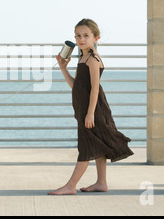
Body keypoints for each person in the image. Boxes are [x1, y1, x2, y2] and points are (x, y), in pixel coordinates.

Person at [48, 19, 133, 195]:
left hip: (93, 110)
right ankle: (101, 183)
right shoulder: (82, 58)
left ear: (96, 38)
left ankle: (70, 186)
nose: (81, 39)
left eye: (86, 35)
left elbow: (95, 87)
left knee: (86, 147)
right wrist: (63, 68)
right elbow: (76, 85)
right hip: (84, 109)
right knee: (98, 144)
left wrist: (90, 113)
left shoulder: (93, 59)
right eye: (78, 35)